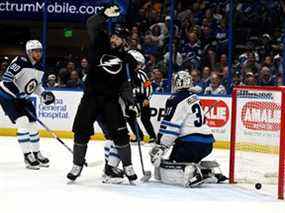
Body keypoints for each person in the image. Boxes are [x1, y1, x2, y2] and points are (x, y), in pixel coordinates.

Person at [67, 4, 139, 183]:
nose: (114, 39)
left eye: (118, 38)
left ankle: (128, 166)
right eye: (113, 35)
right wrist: (103, 15)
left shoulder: (126, 59)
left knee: (121, 134)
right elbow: (91, 24)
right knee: (81, 131)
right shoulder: (99, 42)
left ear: (124, 41)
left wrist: (131, 103)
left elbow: (125, 85)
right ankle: (77, 166)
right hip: (90, 97)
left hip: (110, 101)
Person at [149, 71, 226, 187]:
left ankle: (193, 174)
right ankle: (209, 174)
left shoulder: (175, 99)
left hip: (190, 144)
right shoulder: (194, 97)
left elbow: (171, 127)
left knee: (168, 168)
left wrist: (161, 145)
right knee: (187, 160)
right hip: (208, 145)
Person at [0, 40, 55, 170]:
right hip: (7, 96)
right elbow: (6, 81)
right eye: (36, 51)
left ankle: (36, 153)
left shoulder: (40, 67)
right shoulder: (20, 62)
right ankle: (27, 156)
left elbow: (36, 86)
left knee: (33, 125)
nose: (39, 53)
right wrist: (17, 95)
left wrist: (43, 94)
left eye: (40, 50)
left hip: (23, 97)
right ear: (29, 52)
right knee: (23, 122)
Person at [126, 49, 156, 143]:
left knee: (145, 118)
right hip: (132, 99)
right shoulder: (126, 75)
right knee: (130, 117)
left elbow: (149, 87)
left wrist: (147, 98)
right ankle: (139, 136)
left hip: (142, 98)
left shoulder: (142, 74)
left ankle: (152, 136)